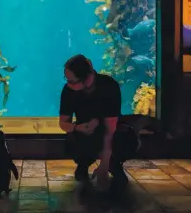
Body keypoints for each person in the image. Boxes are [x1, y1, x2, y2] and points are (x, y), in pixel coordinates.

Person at [59, 54, 141, 191]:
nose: (69, 84)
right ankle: (83, 163)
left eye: (72, 81)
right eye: (67, 80)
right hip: (85, 131)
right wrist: (77, 127)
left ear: (87, 77)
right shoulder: (69, 90)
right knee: (71, 140)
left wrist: (104, 166)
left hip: (110, 131)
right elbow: (63, 123)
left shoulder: (108, 86)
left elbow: (110, 130)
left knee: (126, 139)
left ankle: (113, 164)